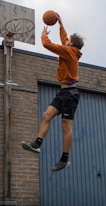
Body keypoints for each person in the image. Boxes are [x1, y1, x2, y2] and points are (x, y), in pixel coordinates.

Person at [22, 14, 84, 172]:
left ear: (72, 44)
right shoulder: (70, 49)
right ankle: (36, 144)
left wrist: (43, 36)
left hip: (71, 94)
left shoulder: (69, 52)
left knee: (66, 126)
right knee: (47, 115)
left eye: (68, 39)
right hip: (63, 92)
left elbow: (48, 45)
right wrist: (61, 24)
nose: (66, 39)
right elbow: (64, 38)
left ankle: (64, 159)